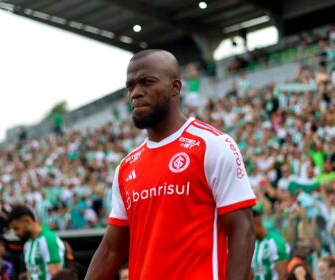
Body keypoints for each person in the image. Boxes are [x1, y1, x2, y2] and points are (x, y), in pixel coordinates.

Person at [84, 49, 256, 279]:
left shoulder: (212, 145)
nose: (135, 93)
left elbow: (242, 231)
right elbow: (111, 249)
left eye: (147, 82)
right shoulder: (126, 167)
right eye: (130, 86)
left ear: (175, 87)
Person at [7, 205, 65, 280]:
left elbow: (56, 275)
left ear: (27, 221)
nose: (15, 233)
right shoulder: (28, 244)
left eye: (16, 228)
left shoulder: (47, 239)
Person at [251, 210, 289, 280]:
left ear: (257, 222)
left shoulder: (275, 242)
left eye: (250, 228)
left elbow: (283, 275)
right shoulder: (253, 244)